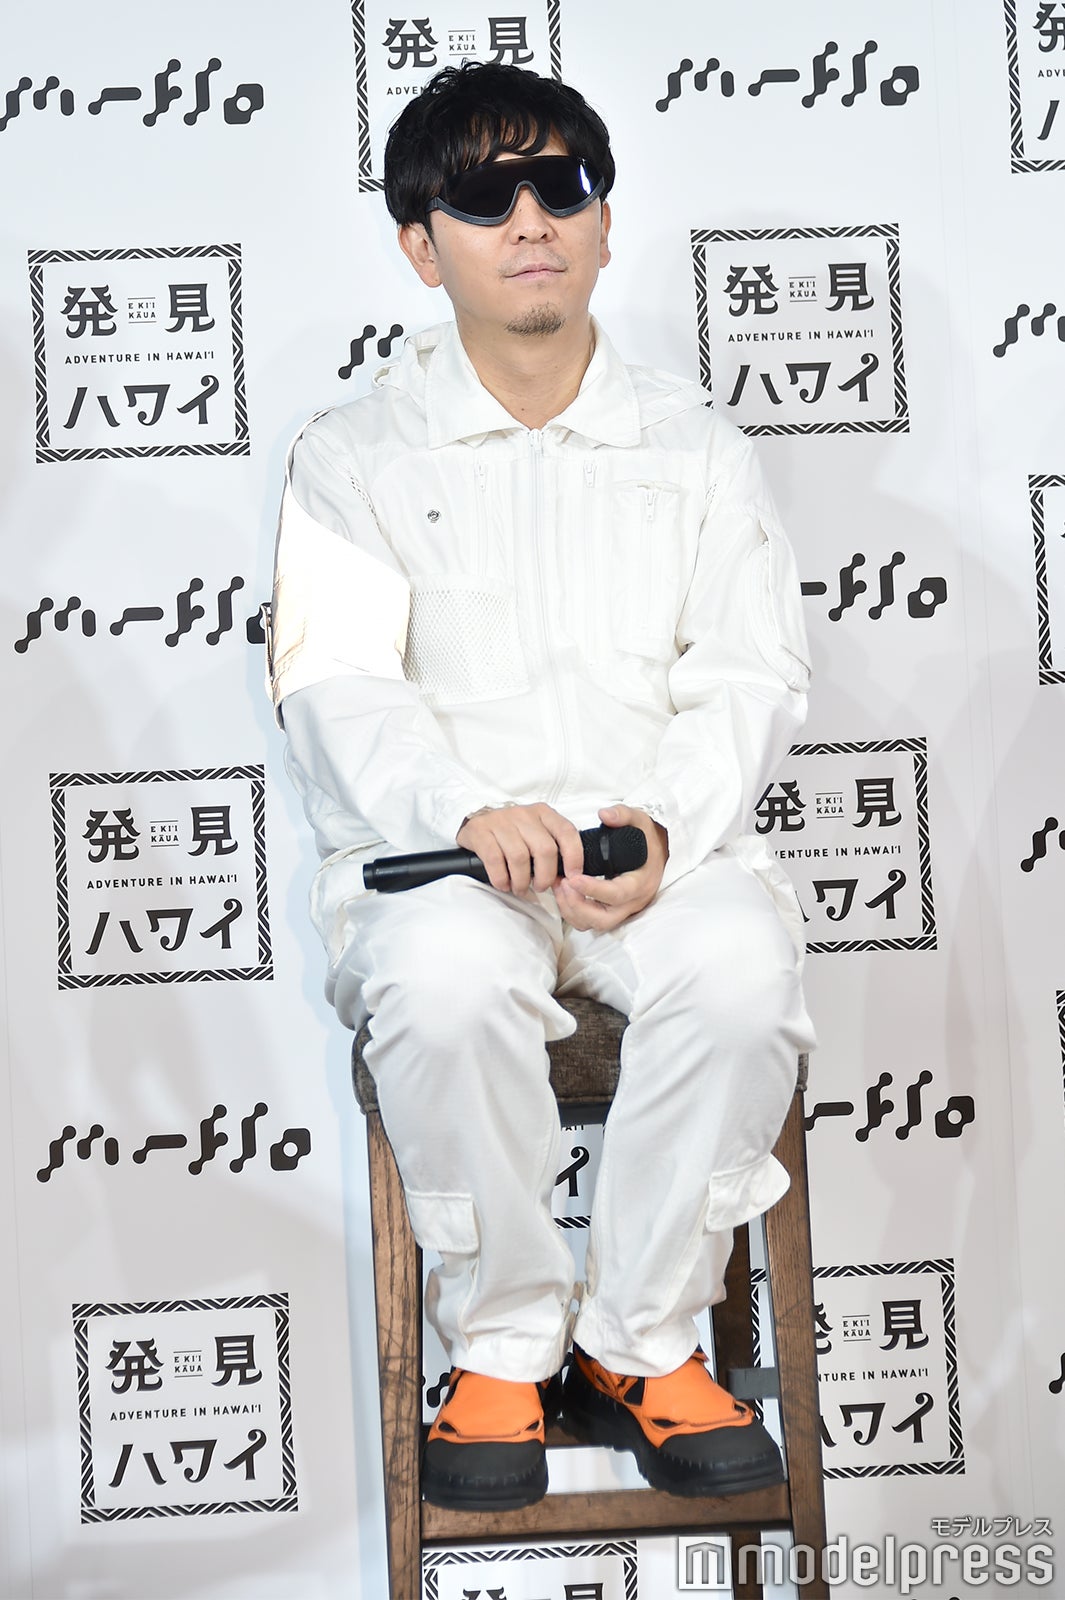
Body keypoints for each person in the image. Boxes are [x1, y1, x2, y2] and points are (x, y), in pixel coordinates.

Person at [268, 60, 815, 1511]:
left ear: (604, 222)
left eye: (559, 186)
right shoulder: (349, 458)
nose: (530, 220)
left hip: (656, 863)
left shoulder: (696, 445)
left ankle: (644, 1341)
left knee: (743, 974)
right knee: (445, 986)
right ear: (420, 244)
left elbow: (750, 672)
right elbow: (335, 686)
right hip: (447, 871)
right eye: (483, 194)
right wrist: (464, 813)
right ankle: (504, 1348)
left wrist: (660, 827)